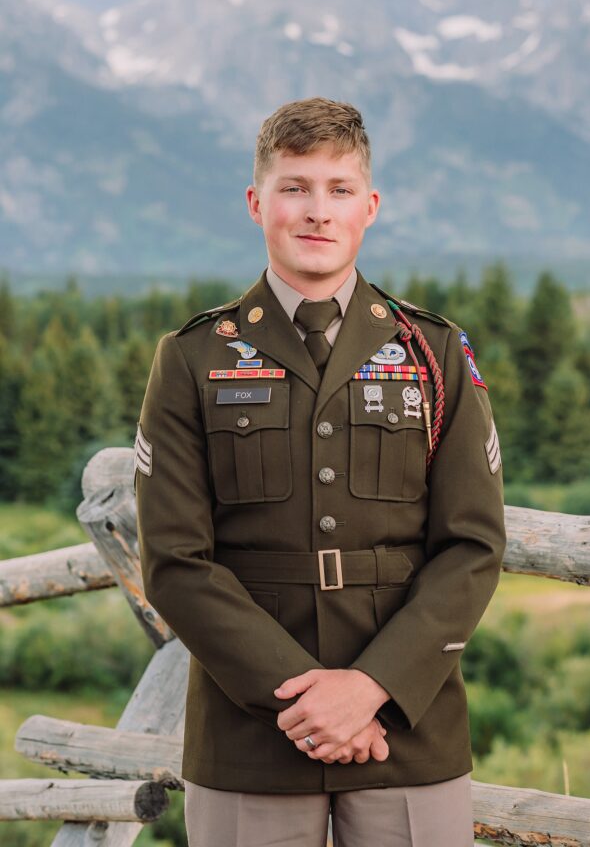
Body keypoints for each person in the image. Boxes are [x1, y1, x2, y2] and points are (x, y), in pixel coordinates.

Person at [134, 97, 506, 847]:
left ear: (370, 206)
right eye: (295, 187)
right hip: (251, 736)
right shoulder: (193, 358)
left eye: (339, 189)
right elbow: (175, 562)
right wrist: (307, 705)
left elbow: (471, 547)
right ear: (256, 203)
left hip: (407, 726)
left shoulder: (433, 353)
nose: (317, 211)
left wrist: (371, 689)